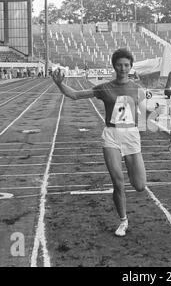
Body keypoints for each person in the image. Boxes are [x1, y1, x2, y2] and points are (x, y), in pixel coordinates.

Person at [51, 48, 147, 237]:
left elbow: (146, 111)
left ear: (131, 67)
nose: (123, 68)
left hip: (132, 136)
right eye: (119, 65)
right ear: (114, 66)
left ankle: (127, 205)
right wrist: (60, 85)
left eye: (126, 65)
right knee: (118, 182)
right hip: (111, 136)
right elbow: (76, 95)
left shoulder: (138, 89)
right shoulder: (104, 88)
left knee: (140, 185)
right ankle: (123, 220)